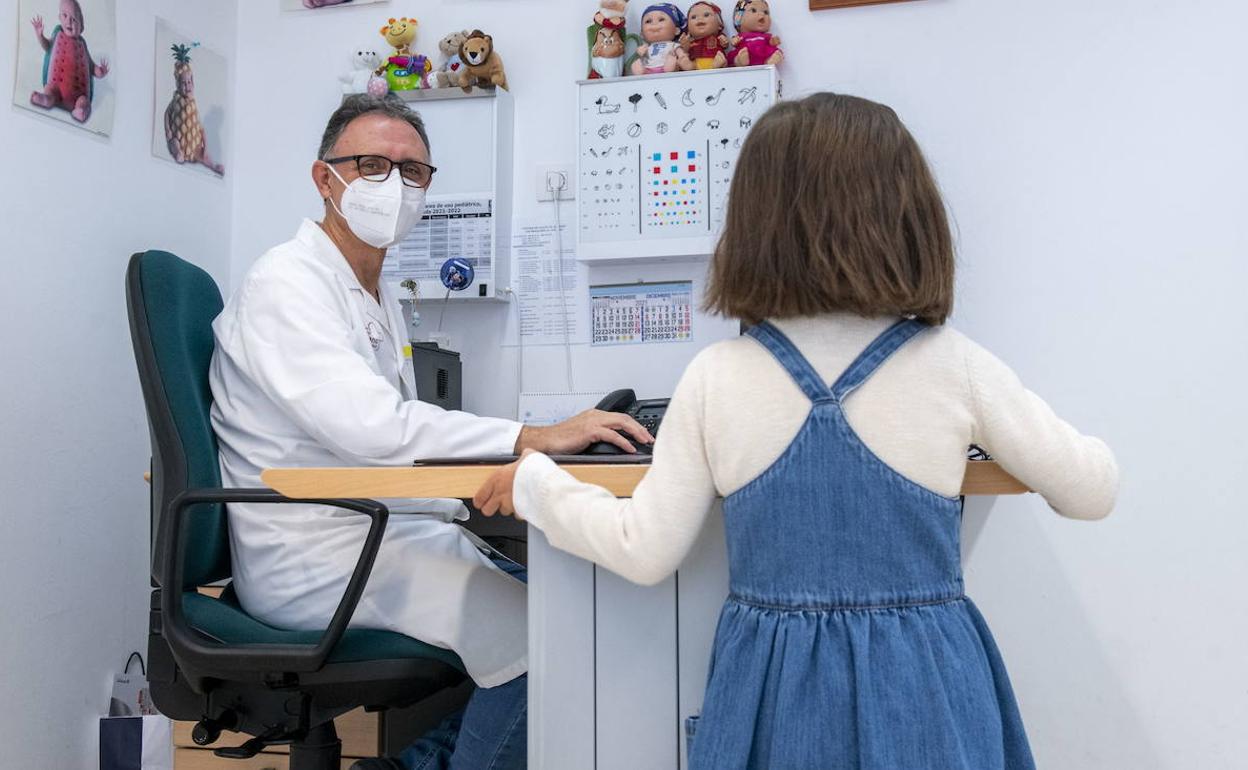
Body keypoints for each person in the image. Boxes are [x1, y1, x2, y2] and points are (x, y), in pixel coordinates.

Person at [474, 93, 1119, 769]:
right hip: (927, 684)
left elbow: (644, 549)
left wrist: (538, 486)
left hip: (774, 694)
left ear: (755, 225)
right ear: (910, 217)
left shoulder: (719, 376)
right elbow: (1091, 490)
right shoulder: (951, 363)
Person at [209, 93, 652, 769]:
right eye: (371, 164)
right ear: (324, 178)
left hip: (377, 531)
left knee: (572, 607)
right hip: (318, 554)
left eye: (412, 171)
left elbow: (388, 437)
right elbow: (373, 429)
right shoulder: (286, 283)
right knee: (550, 643)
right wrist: (532, 437)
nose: (394, 184)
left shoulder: (378, 291)